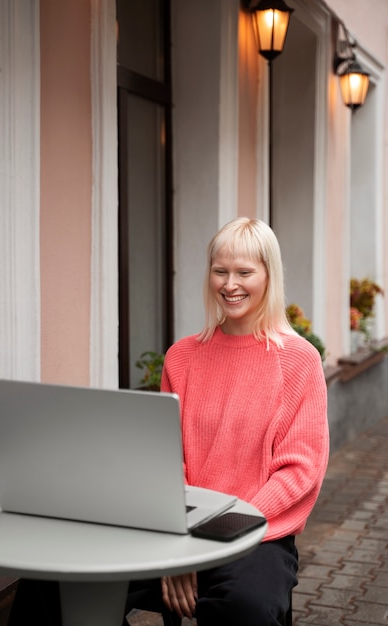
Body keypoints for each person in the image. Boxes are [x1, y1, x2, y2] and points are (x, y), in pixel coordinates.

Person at [124, 216, 329, 626]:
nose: (229, 284)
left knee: (246, 609)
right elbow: (167, 459)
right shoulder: (182, 357)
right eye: (220, 271)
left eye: (244, 272)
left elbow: (299, 472)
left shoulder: (298, 359)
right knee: (53, 585)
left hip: (258, 537)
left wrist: (208, 541)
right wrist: (179, 545)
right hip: (177, 531)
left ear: (269, 275)